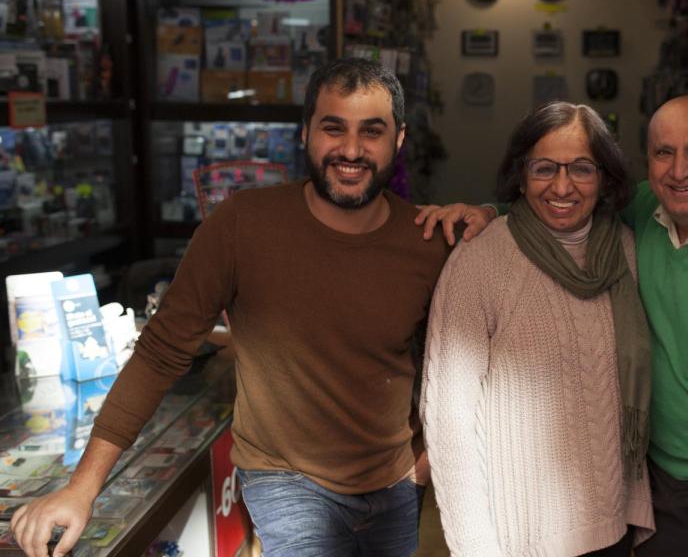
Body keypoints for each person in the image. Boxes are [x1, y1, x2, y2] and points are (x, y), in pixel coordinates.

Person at [12, 58, 450, 557]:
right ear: (306, 132)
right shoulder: (243, 223)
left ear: (398, 140)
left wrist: (424, 463)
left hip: (395, 484)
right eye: (334, 128)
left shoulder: (428, 240)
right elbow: (160, 352)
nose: (351, 150)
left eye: (371, 132)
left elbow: (462, 369)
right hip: (287, 482)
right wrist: (81, 488)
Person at [416, 95, 688, 557]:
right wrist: (492, 212)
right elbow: (559, 213)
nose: (679, 170)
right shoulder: (644, 212)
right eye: (664, 153)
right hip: (659, 490)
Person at [421, 101, 655, 556]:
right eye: (545, 168)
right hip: (520, 537)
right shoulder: (481, 259)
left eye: (582, 168)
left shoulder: (627, 251)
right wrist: (475, 547)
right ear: (521, 175)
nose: (562, 186)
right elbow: (450, 421)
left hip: (612, 529)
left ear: (604, 176)